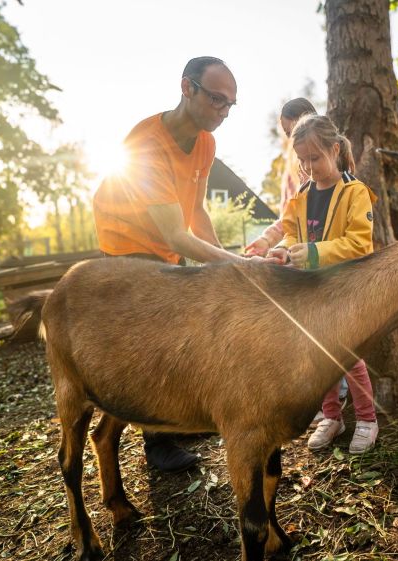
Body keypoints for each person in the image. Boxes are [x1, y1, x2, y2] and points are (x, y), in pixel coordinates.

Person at [93, 56, 267, 472]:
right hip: (126, 244)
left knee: (189, 327)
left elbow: (196, 213)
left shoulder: (206, 141)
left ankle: (178, 419)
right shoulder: (147, 145)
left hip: (164, 241)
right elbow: (174, 235)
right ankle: (158, 443)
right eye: (216, 99)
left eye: (230, 105)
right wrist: (236, 266)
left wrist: (228, 260)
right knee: (156, 339)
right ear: (187, 88)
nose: (222, 112)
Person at [267, 115, 380, 454]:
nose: (308, 166)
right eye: (302, 160)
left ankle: (367, 419)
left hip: (344, 291)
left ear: (334, 150)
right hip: (310, 291)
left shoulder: (355, 192)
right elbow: (291, 232)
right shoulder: (302, 194)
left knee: (349, 357)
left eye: (315, 158)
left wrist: (315, 253)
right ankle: (331, 416)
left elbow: (360, 243)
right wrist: (282, 250)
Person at [245, 98, 318, 257]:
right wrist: (268, 240)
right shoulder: (291, 172)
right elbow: (290, 219)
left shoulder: (328, 172)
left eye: (298, 131)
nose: (294, 139)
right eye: (288, 133)